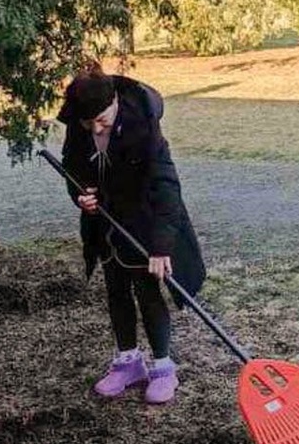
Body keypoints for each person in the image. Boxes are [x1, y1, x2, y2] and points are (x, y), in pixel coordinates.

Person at [57, 61, 206, 403]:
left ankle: (163, 367)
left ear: (114, 102)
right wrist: (80, 195)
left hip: (143, 223)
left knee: (147, 291)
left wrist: (161, 246)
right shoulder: (81, 124)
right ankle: (128, 362)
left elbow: (166, 185)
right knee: (116, 290)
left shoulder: (144, 124)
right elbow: (72, 167)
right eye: (88, 123)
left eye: (101, 119)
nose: (95, 128)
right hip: (106, 224)